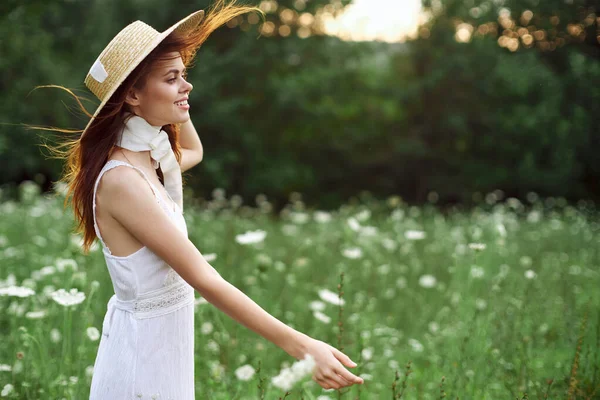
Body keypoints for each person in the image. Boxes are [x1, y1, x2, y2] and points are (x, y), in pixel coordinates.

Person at [37, 1, 364, 398]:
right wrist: (302, 346)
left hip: (162, 345)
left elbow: (194, 150)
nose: (187, 85)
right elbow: (204, 278)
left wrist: (177, 99)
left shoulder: (151, 162)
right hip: (143, 356)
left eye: (185, 75)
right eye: (173, 78)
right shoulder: (122, 181)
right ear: (133, 96)